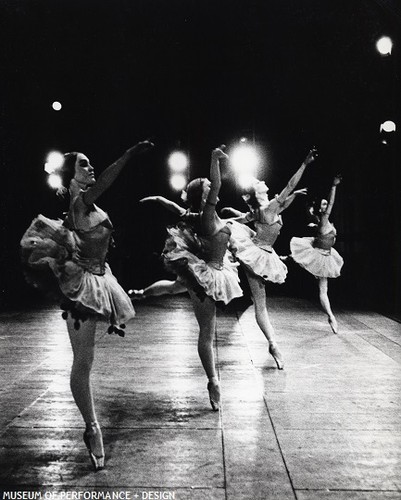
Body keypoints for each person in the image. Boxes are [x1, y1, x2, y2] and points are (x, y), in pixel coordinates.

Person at [20, 140, 153, 471]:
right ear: (72, 177)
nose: (91, 168)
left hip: (99, 276)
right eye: (84, 164)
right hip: (81, 284)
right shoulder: (80, 203)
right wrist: (126, 154)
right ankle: (92, 427)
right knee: (83, 361)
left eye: (91, 164)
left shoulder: (90, 206)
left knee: (86, 360)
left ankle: (91, 425)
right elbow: (105, 182)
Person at [162, 147, 243, 411]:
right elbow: (217, 183)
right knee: (207, 332)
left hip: (220, 271)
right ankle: (212, 381)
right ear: (205, 195)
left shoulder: (214, 216)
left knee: (183, 296)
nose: (213, 188)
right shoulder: (207, 216)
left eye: (211, 186)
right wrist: (214, 157)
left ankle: (142, 292)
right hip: (205, 275)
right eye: (208, 187)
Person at [222, 148, 317, 369]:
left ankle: (273, 343)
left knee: (260, 304)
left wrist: (229, 213)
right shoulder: (269, 208)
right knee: (261, 305)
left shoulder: (262, 210)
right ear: (260, 193)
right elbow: (288, 187)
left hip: (261, 253)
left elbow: (249, 216)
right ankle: (273, 344)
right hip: (257, 255)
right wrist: (305, 163)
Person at [289, 175, 343, 333]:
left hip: (327, 255)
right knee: (322, 290)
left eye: (326, 204)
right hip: (321, 257)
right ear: (321, 208)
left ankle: (330, 316)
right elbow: (332, 203)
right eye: (324, 204)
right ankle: (331, 316)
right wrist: (333, 186)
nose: (327, 205)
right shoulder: (324, 220)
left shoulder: (324, 221)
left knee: (323, 291)